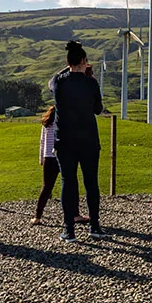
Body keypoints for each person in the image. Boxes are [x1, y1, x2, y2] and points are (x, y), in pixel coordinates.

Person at [53, 41, 108, 242]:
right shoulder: (91, 83)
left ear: (67, 62)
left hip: (65, 139)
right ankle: (95, 226)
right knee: (91, 182)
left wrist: (69, 65)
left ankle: (69, 230)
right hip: (88, 139)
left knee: (68, 182)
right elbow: (97, 109)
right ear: (84, 61)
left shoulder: (59, 82)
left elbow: (53, 79)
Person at [31, 105, 88, 226]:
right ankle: (75, 214)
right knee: (71, 184)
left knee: (46, 187)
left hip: (48, 157)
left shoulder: (46, 124)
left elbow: (42, 141)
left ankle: (37, 216)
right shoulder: (65, 121)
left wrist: (41, 158)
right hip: (63, 156)